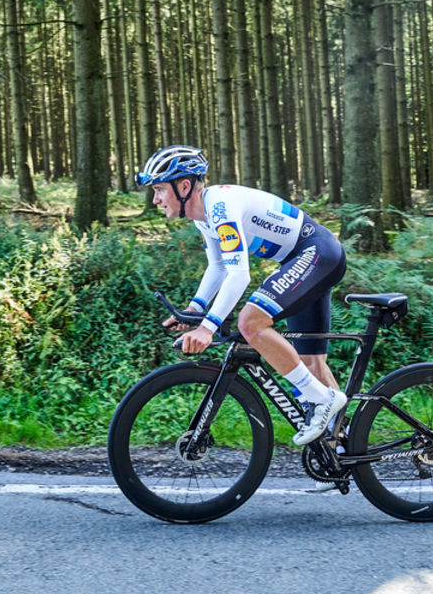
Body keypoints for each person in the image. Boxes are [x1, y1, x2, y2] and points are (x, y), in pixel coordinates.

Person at [136, 145, 348, 445]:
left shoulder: (220, 206)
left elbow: (239, 275)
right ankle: (343, 449)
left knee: (251, 323)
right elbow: (218, 267)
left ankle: (323, 400)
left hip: (317, 253)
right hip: (309, 258)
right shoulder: (203, 216)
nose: (155, 199)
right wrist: (195, 310)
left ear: (184, 186)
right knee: (311, 362)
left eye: (158, 189)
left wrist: (207, 328)